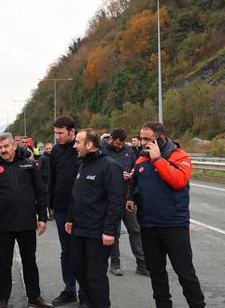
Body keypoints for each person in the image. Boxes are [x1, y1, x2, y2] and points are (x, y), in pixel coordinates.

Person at [126, 122, 206, 308]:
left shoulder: (179, 156)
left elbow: (178, 181)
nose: (142, 142)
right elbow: (136, 181)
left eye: (147, 139)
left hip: (173, 225)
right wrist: (131, 196)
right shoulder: (141, 159)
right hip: (148, 225)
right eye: (141, 138)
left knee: (185, 272)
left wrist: (158, 160)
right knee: (156, 272)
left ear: (160, 139)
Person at [0, 133, 52, 308]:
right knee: (3, 265)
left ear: (14, 145)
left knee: (30, 262)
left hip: (27, 224)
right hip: (3, 225)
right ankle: (3, 300)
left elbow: (40, 192)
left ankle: (34, 297)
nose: (4, 150)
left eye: (6, 146)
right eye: (0, 148)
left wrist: (42, 217)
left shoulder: (29, 165)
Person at [65, 129, 125, 308]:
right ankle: (91, 300)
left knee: (95, 275)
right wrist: (70, 218)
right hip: (79, 228)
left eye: (77, 142)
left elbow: (116, 200)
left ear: (89, 145)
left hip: (98, 232)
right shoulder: (82, 164)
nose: (74, 146)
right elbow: (76, 195)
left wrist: (109, 231)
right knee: (76, 266)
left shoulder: (109, 166)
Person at [48, 116, 84, 306]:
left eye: (61, 133)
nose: (58, 137)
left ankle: (85, 291)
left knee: (83, 251)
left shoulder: (83, 147)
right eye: (56, 133)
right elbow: (52, 178)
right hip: (62, 208)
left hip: (83, 209)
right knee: (66, 251)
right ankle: (70, 289)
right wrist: (51, 204)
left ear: (72, 131)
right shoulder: (55, 151)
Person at [101, 128, 147, 277]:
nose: (120, 146)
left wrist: (133, 173)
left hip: (127, 196)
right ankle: (115, 263)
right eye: (118, 143)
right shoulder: (102, 151)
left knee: (135, 230)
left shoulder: (128, 150)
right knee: (114, 232)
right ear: (111, 139)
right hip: (110, 198)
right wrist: (117, 175)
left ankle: (141, 263)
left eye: (122, 143)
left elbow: (136, 165)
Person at [38, 142, 53, 220]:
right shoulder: (42, 158)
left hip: (51, 180)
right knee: (46, 199)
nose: (48, 150)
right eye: (47, 148)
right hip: (45, 181)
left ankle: (51, 213)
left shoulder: (53, 157)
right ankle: (46, 214)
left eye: (50, 148)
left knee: (51, 198)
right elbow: (39, 170)